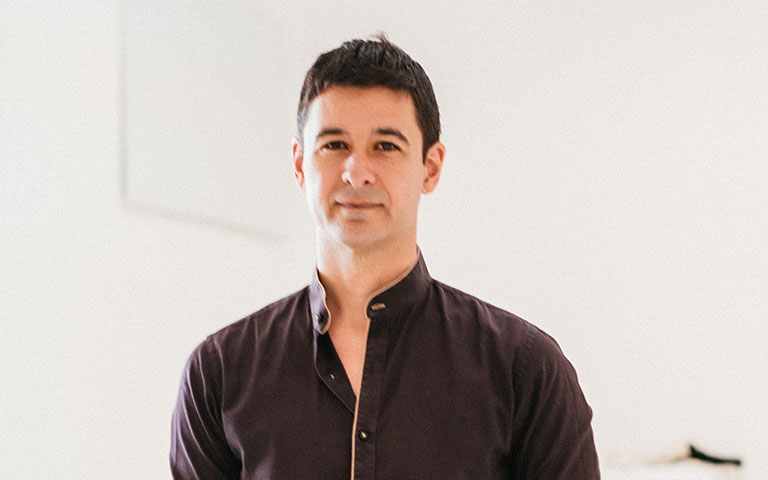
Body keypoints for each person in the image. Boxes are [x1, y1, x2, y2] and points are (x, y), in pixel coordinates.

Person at [170, 34, 600, 479]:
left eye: (386, 146)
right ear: (300, 164)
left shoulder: (525, 369)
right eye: (334, 145)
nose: (357, 173)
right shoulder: (219, 373)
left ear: (430, 167)